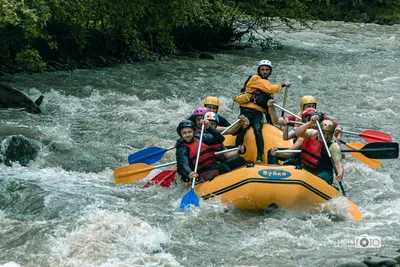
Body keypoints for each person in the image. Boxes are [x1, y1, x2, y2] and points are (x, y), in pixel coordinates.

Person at [235, 60, 292, 163]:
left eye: (267, 70)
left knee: (258, 130)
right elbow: (269, 88)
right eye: (262, 69)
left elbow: (268, 107)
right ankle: (236, 152)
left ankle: (259, 157)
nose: (264, 72)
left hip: (257, 113)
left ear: (270, 71)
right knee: (242, 129)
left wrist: (272, 123)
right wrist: (283, 85)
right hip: (247, 110)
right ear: (259, 70)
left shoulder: (267, 85)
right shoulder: (254, 78)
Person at [175, 117, 246, 183]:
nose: (187, 135)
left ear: (194, 132)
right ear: (181, 135)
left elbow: (220, 139)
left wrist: (209, 127)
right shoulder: (182, 148)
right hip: (199, 173)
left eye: (189, 132)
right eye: (184, 133)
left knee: (240, 160)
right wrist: (189, 173)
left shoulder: (201, 137)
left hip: (212, 166)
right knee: (223, 168)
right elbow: (184, 164)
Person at [295, 115, 344, 185]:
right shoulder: (312, 133)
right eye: (323, 133)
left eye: (328, 134)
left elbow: (338, 164)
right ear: (319, 131)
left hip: (322, 171)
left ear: (332, 134)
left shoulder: (333, 146)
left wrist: (340, 174)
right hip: (306, 166)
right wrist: (310, 123)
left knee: (320, 179)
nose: (326, 136)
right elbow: (298, 133)